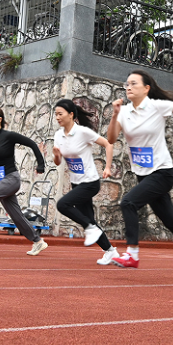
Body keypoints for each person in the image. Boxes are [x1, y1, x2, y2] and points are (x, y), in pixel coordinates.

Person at [105, 69, 173, 275]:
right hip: (142, 173)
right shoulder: (124, 112)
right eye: (127, 84)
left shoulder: (156, 106)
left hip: (161, 172)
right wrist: (115, 115)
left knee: (128, 202)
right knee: (170, 220)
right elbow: (111, 138)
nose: (129, 87)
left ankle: (132, 254)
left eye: (134, 83)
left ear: (146, 88)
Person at [0, 106, 48, 254]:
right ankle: (38, 241)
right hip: (1, 182)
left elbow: (32, 144)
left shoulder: (8, 136)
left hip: (11, 179)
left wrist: (41, 164)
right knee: (16, 216)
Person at [51, 98, 118, 265]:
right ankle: (110, 251)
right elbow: (58, 162)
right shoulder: (58, 135)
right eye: (55, 114)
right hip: (76, 183)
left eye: (60, 114)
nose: (57, 117)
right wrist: (57, 156)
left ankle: (91, 229)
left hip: (90, 182)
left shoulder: (82, 132)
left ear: (71, 114)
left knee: (62, 205)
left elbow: (108, 144)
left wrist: (107, 167)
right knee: (89, 219)